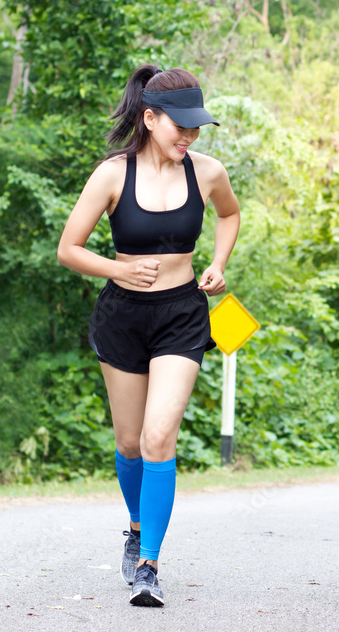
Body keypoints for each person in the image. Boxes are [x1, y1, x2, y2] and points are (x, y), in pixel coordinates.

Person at [57, 65, 240, 607]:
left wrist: (218, 261)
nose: (188, 136)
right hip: (123, 316)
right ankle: (136, 525)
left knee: (161, 438)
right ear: (150, 117)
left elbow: (229, 216)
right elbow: (69, 248)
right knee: (130, 442)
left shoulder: (207, 172)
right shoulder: (113, 175)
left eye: (196, 127)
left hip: (183, 313)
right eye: (178, 126)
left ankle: (149, 566)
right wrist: (117, 270)